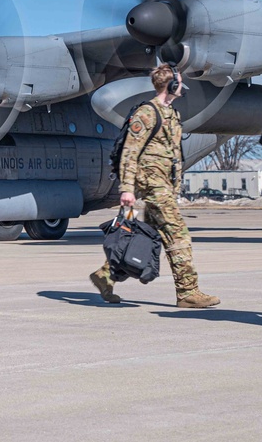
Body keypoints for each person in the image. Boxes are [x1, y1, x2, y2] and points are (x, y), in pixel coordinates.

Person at [90, 64, 220, 308]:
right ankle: (188, 291)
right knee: (178, 234)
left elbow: (172, 155)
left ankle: (106, 275)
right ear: (171, 85)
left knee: (144, 239)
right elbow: (130, 151)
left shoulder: (172, 114)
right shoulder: (147, 113)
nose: (182, 87)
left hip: (163, 185)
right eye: (179, 83)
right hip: (152, 184)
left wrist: (175, 186)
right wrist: (127, 188)